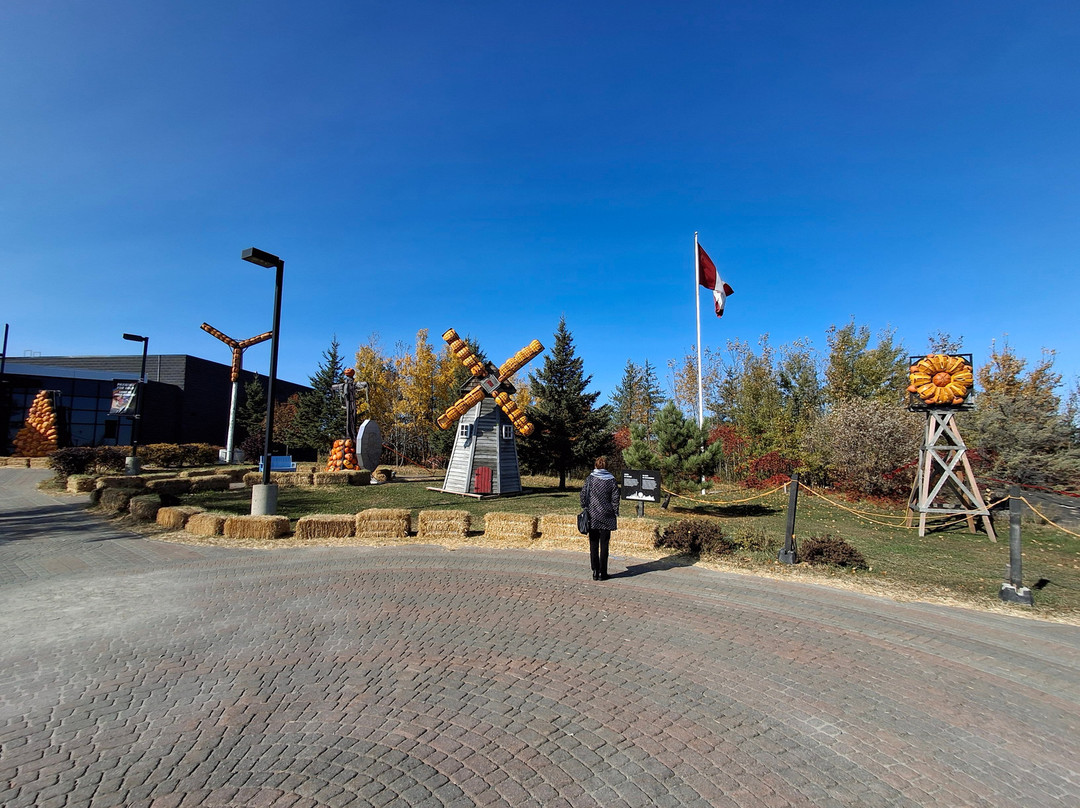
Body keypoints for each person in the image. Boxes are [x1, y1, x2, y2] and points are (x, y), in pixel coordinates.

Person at [581, 457, 620, 580]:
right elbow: (615, 499)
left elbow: (583, 494)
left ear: (596, 465)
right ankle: (603, 573)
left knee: (593, 544)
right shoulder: (612, 480)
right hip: (607, 515)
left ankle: (595, 571)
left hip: (592, 515)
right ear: (606, 466)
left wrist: (584, 506)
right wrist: (615, 512)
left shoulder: (590, 479)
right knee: (604, 545)